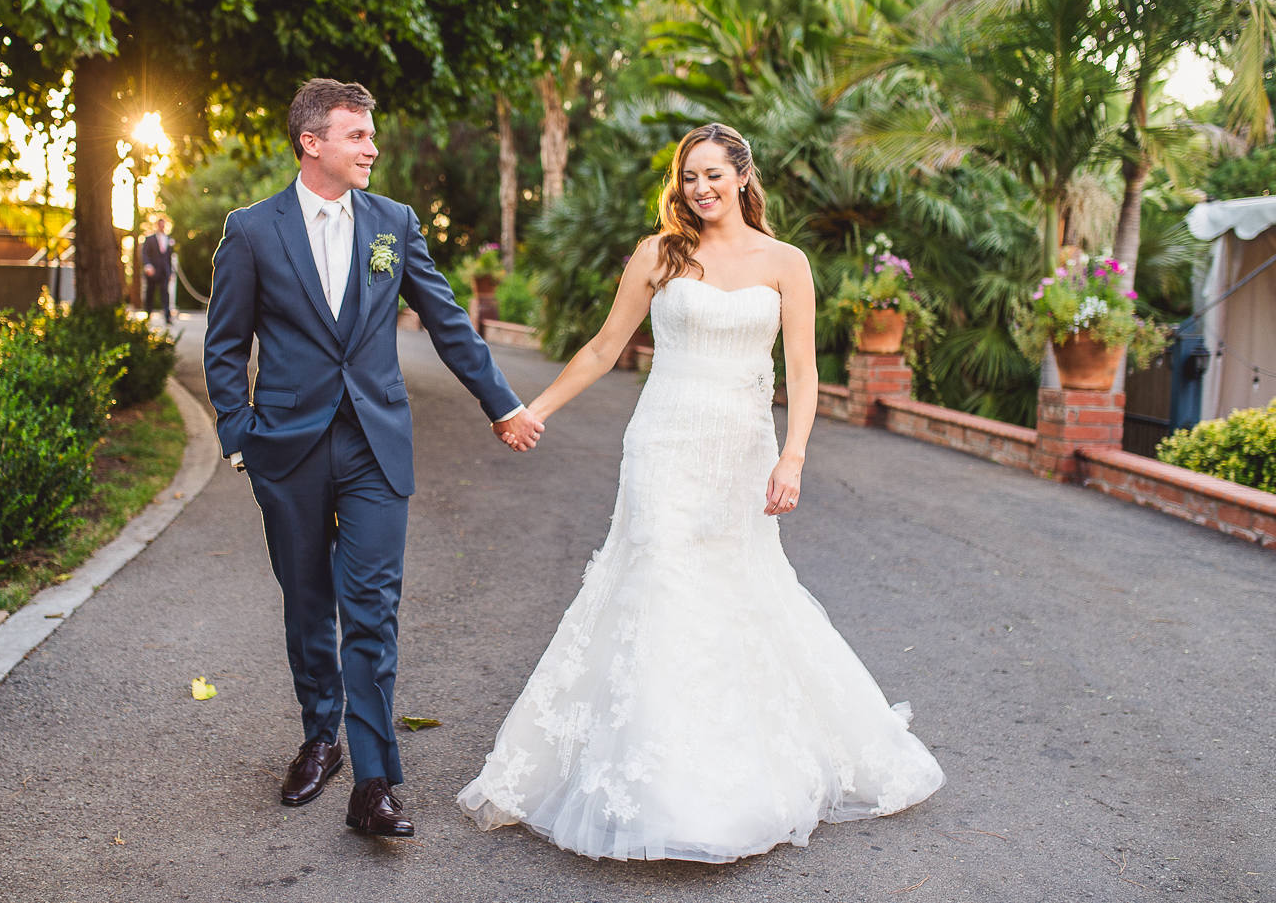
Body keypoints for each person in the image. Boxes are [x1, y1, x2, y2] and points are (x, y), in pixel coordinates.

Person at [457, 123, 945, 862]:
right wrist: (535, 410)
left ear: (744, 177)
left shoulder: (787, 263)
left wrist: (794, 457)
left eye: (714, 174)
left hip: (741, 455)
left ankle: (735, 771)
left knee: (739, 591)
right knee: (659, 582)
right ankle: (662, 788)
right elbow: (601, 346)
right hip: (663, 444)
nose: (701, 188)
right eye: (689, 177)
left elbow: (806, 374)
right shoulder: (660, 254)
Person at [203, 78, 545, 839]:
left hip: (374, 445)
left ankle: (375, 781)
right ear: (311, 142)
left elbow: (447, 319)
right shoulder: (253, 230)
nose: (372, 148)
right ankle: (319, 735)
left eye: (371, 134)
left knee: (371, 609)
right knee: (306, 601)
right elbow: (225, 346)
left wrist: (504, 403)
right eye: (356, 135)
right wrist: (239, 439)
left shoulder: (393, 222)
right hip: (286, 448)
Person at [142, 215, 175, 323]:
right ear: (157, 225)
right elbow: (145, 253)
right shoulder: (149, 239)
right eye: (160, 224)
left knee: (165, 293)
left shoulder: (169, 239)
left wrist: (170, 272)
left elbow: (169, 257)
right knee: (150, 292)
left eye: (163, 225)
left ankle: (167, 316)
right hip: (152, 271)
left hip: (164, 271)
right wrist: (148, 265)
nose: (162, 226)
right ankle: (148, 314)